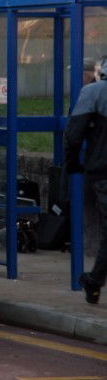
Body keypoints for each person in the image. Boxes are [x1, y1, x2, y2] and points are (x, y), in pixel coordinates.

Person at [64, 55, 107, 304]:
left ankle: (94, 280)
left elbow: (74, 135)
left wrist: (72, 164)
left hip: (100, 170)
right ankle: (94, 280)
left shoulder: (93, 92)